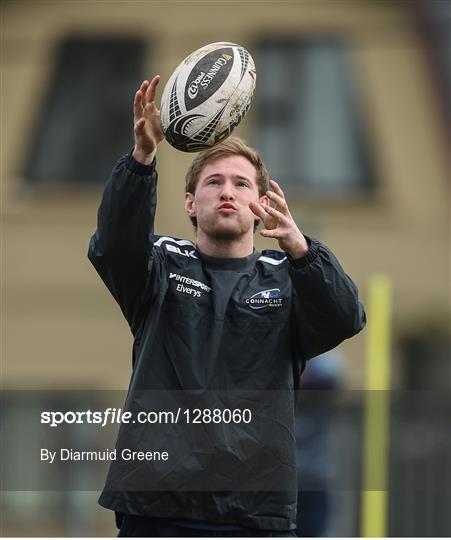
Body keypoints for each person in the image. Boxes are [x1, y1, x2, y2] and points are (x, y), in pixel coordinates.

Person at [88, 76, 366, 537]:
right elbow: (113, 247)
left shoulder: (287, 276)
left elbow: (345, 316)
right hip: (158, 510)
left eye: (241, 183)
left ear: (261, 203)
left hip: (253, 516)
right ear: (191, 203)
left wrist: (303, 249)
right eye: (214, 182)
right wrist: (141, 160)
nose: (227, 192)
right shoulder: (160, 266)